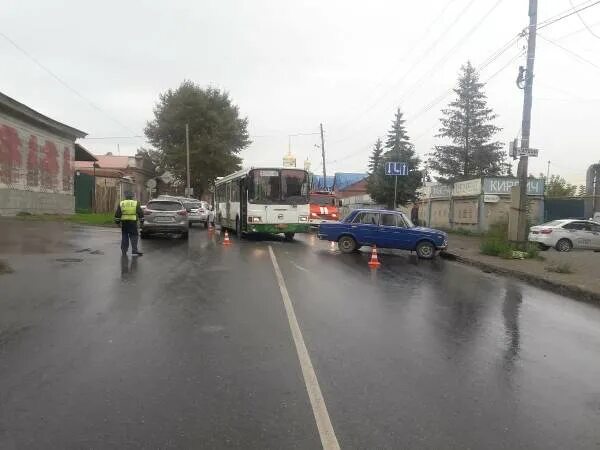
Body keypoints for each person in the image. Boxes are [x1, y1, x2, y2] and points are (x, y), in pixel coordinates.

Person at [114, 192, 144, 256]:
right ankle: (134, 251)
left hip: (124, 222)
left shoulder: (121, 203)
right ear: (132, 197)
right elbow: (140, 213)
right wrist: (142, 222)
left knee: (125, 236)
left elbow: (117, 214)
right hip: (132, 222)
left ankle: (124, 250)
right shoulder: (135, 203)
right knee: (134, 236)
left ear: (125, 197)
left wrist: (117, 222)